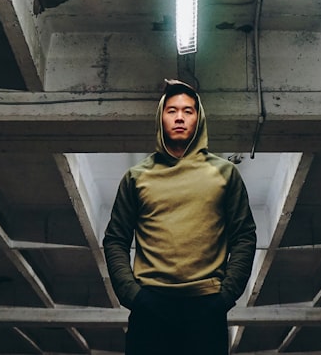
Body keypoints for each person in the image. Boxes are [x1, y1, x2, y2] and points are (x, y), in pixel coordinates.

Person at [103, 79, 257, 355]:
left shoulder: (224, 173)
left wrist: (226, 296)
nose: (179, 118)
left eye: (188, 111)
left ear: (199, 119)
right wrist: (132, 295)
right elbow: (115, 239)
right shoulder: (138, 177)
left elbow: (244, 236)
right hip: (150, 305)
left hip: (207, 305)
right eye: (172, 110)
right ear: (160, 118)